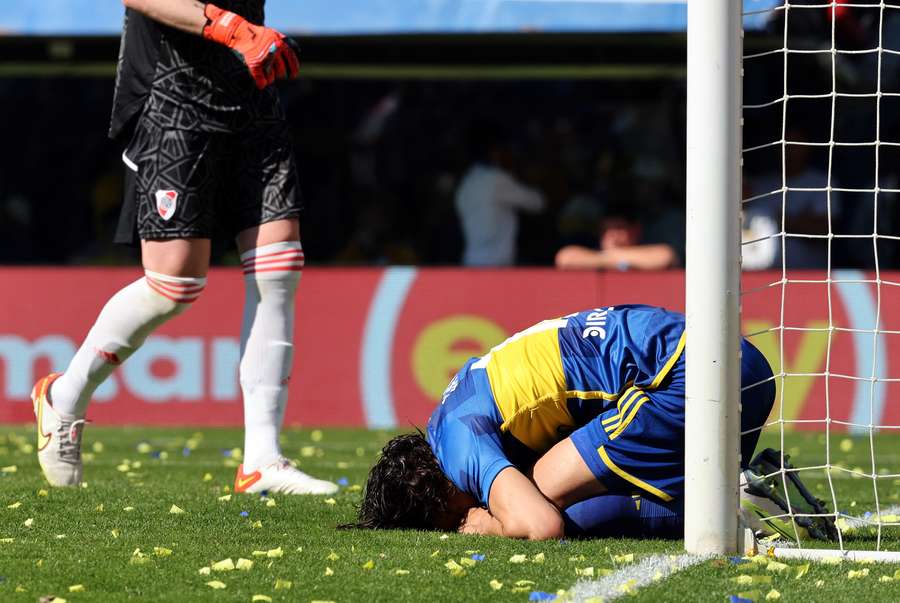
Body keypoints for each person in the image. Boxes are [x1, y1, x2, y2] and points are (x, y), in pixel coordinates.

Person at [31, 0, 336, 495]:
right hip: (174, 95)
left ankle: (262, 460)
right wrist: (232, 28)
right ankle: (64, 397)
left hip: (250, 90)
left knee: (279, 265)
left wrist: (258, 37)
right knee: (174, 283)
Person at [352, 305, 836, 541]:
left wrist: (483, 525)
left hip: (688, 377)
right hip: (738, 362)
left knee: (545, 497)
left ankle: (744, 506)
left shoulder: (459, 446)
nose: (461, 515)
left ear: (436, 495)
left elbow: (539, 526)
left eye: (448, 518)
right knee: (565, 481)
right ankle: (750, 492)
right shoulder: (455, 404)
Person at [455, 123, 546, 267]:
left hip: (471, 262)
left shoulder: (466, 184)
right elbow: (538, 203)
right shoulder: (496, 180)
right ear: (494, 152)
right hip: (496, 265)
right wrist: (531, 178)